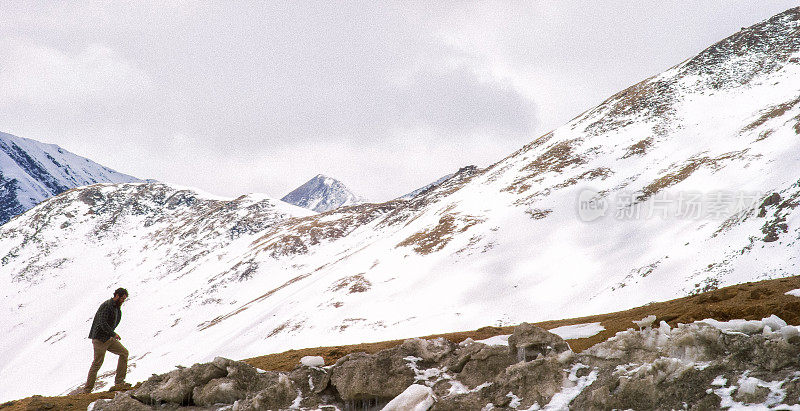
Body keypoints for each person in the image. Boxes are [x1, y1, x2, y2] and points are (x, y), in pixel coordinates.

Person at [84, 288, 131, 393]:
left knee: (124, 353)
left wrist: (111, 334)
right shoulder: (106, 306)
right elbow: (102, 323)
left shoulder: (116, 308)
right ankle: (87, 390)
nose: (123, 301)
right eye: (122, 298)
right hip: (99, 339)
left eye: (124, 299)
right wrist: (113, 334)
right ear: (117, 296)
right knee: (97, 363)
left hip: (108, 338)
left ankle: (119, 383)